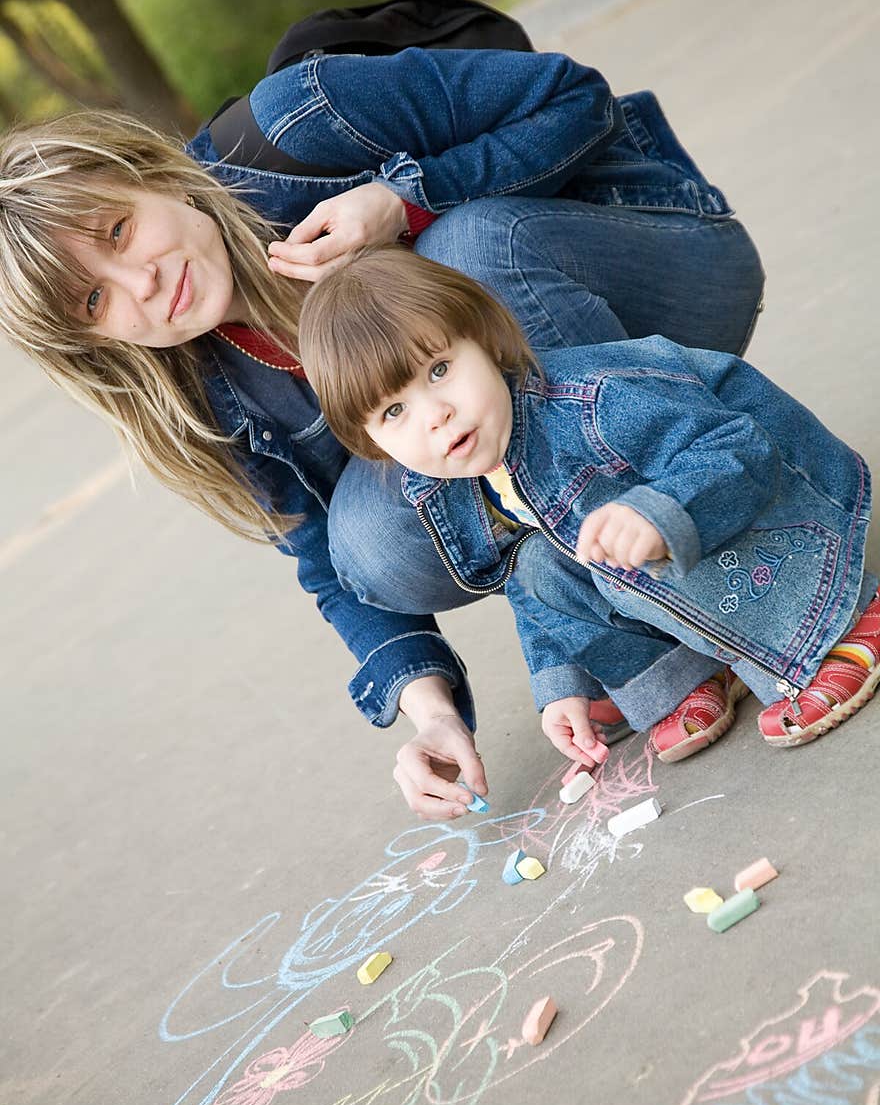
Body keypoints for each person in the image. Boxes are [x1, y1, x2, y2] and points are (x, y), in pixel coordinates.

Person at [0, 44, 765, 817]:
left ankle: (733, 567)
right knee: (364, 539)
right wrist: (428, 711)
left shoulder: (297, 121)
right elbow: (327, 562)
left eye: (119, 231)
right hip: (549, 434)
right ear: (90, 343)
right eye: (94, 302)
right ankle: (616, 601)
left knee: (463, 255)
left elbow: (577, 99)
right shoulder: (206, 393)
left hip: (669, 274)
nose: (143, 284)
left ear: (151, 176)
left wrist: (405, 202)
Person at [297, 245, 879, 755]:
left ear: (487, 339)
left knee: (637, 526)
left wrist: (658, 510)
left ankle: (841, 621)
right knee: (537, 566)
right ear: (371, 441)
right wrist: (561, 684)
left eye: (440, 369)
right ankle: (687, 674)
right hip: (684, 550)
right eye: (394, 412)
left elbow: (740, 449)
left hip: (785, 506)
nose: (434, 415)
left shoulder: (593, 405)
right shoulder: (455, 479)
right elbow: (529, 596)